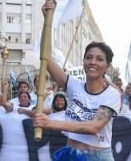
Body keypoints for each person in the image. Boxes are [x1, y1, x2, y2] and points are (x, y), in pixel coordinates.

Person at [33, 9, 121, 161]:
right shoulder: (74, 85)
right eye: (89, 57)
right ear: (84, 62)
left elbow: (94, 127)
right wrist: (48, 20)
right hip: (70, 154)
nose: (93, 62)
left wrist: (50, 123)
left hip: (97, 157)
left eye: (99, 59)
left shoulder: (112, 95)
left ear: (107, 66)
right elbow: (45, 57)